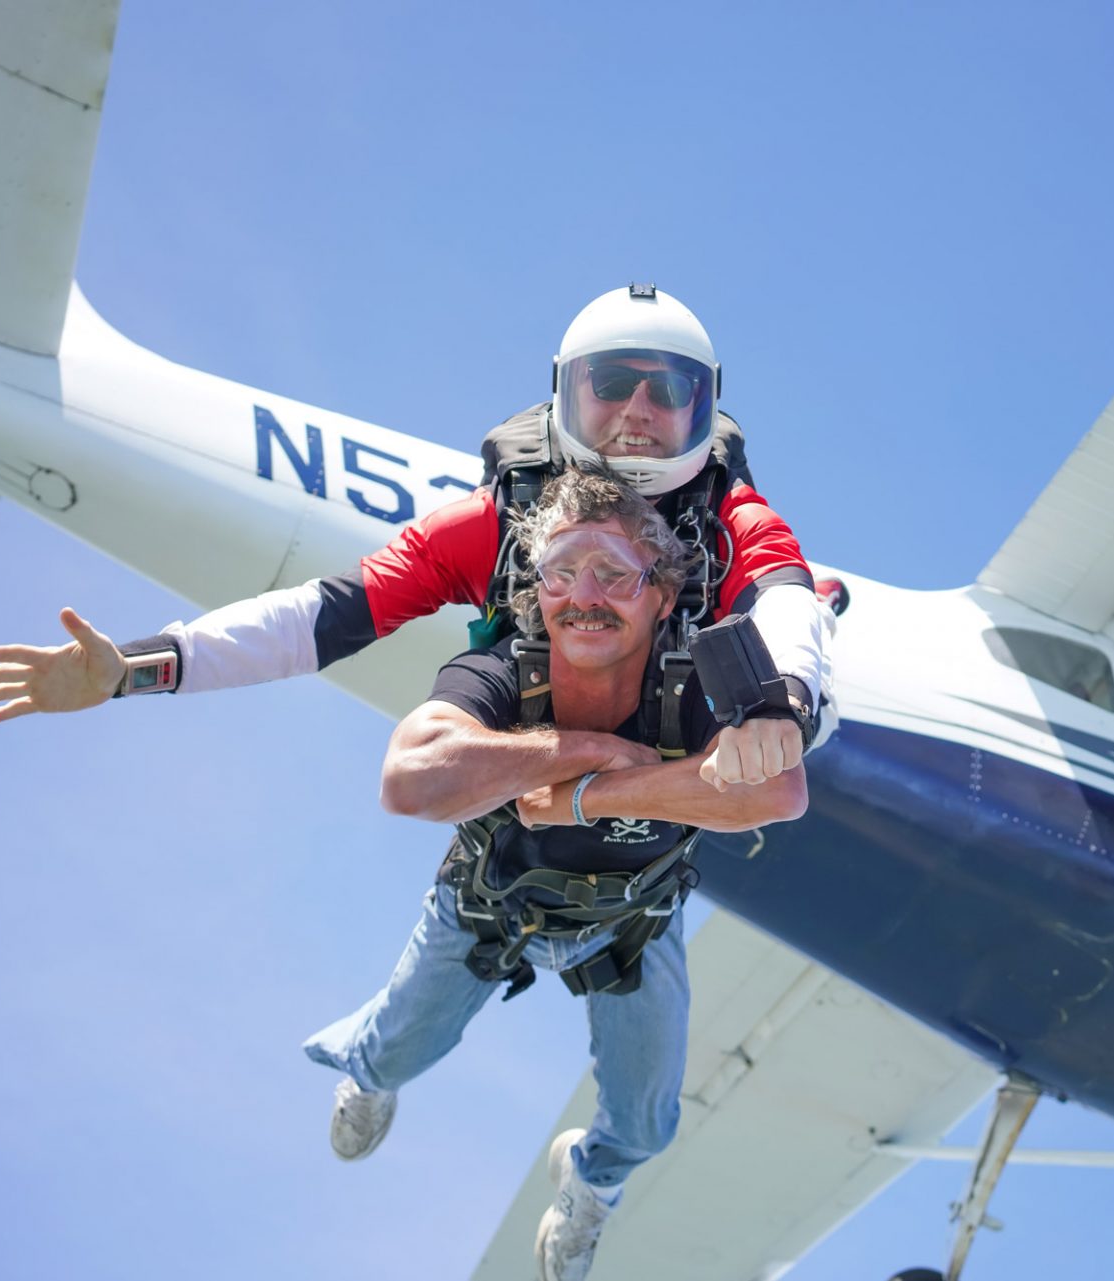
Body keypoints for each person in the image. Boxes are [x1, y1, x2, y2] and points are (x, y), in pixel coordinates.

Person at [0, 284, 829, 789]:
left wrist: (786, 701)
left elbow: (788, 606)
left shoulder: (731, 524)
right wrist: (131, 670)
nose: (639, 410)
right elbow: (320, 617)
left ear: (705, 409)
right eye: (612, 382)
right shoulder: (497, 525)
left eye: (667, 390)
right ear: (565, 392)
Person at [307, 467, 807, 1281]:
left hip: (632, 924)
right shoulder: (505, 669)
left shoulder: (695, 677)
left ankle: (588, 1180)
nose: (584, 594)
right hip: (485, 906)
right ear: (535, 590)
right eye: (560, 572)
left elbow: (778, 788)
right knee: (393, 1056)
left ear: (660, 592)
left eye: (612, 573)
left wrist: (581, 798)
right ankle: (365, 1071)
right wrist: (585, 749)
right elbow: (410, 775)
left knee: (646, 1128)